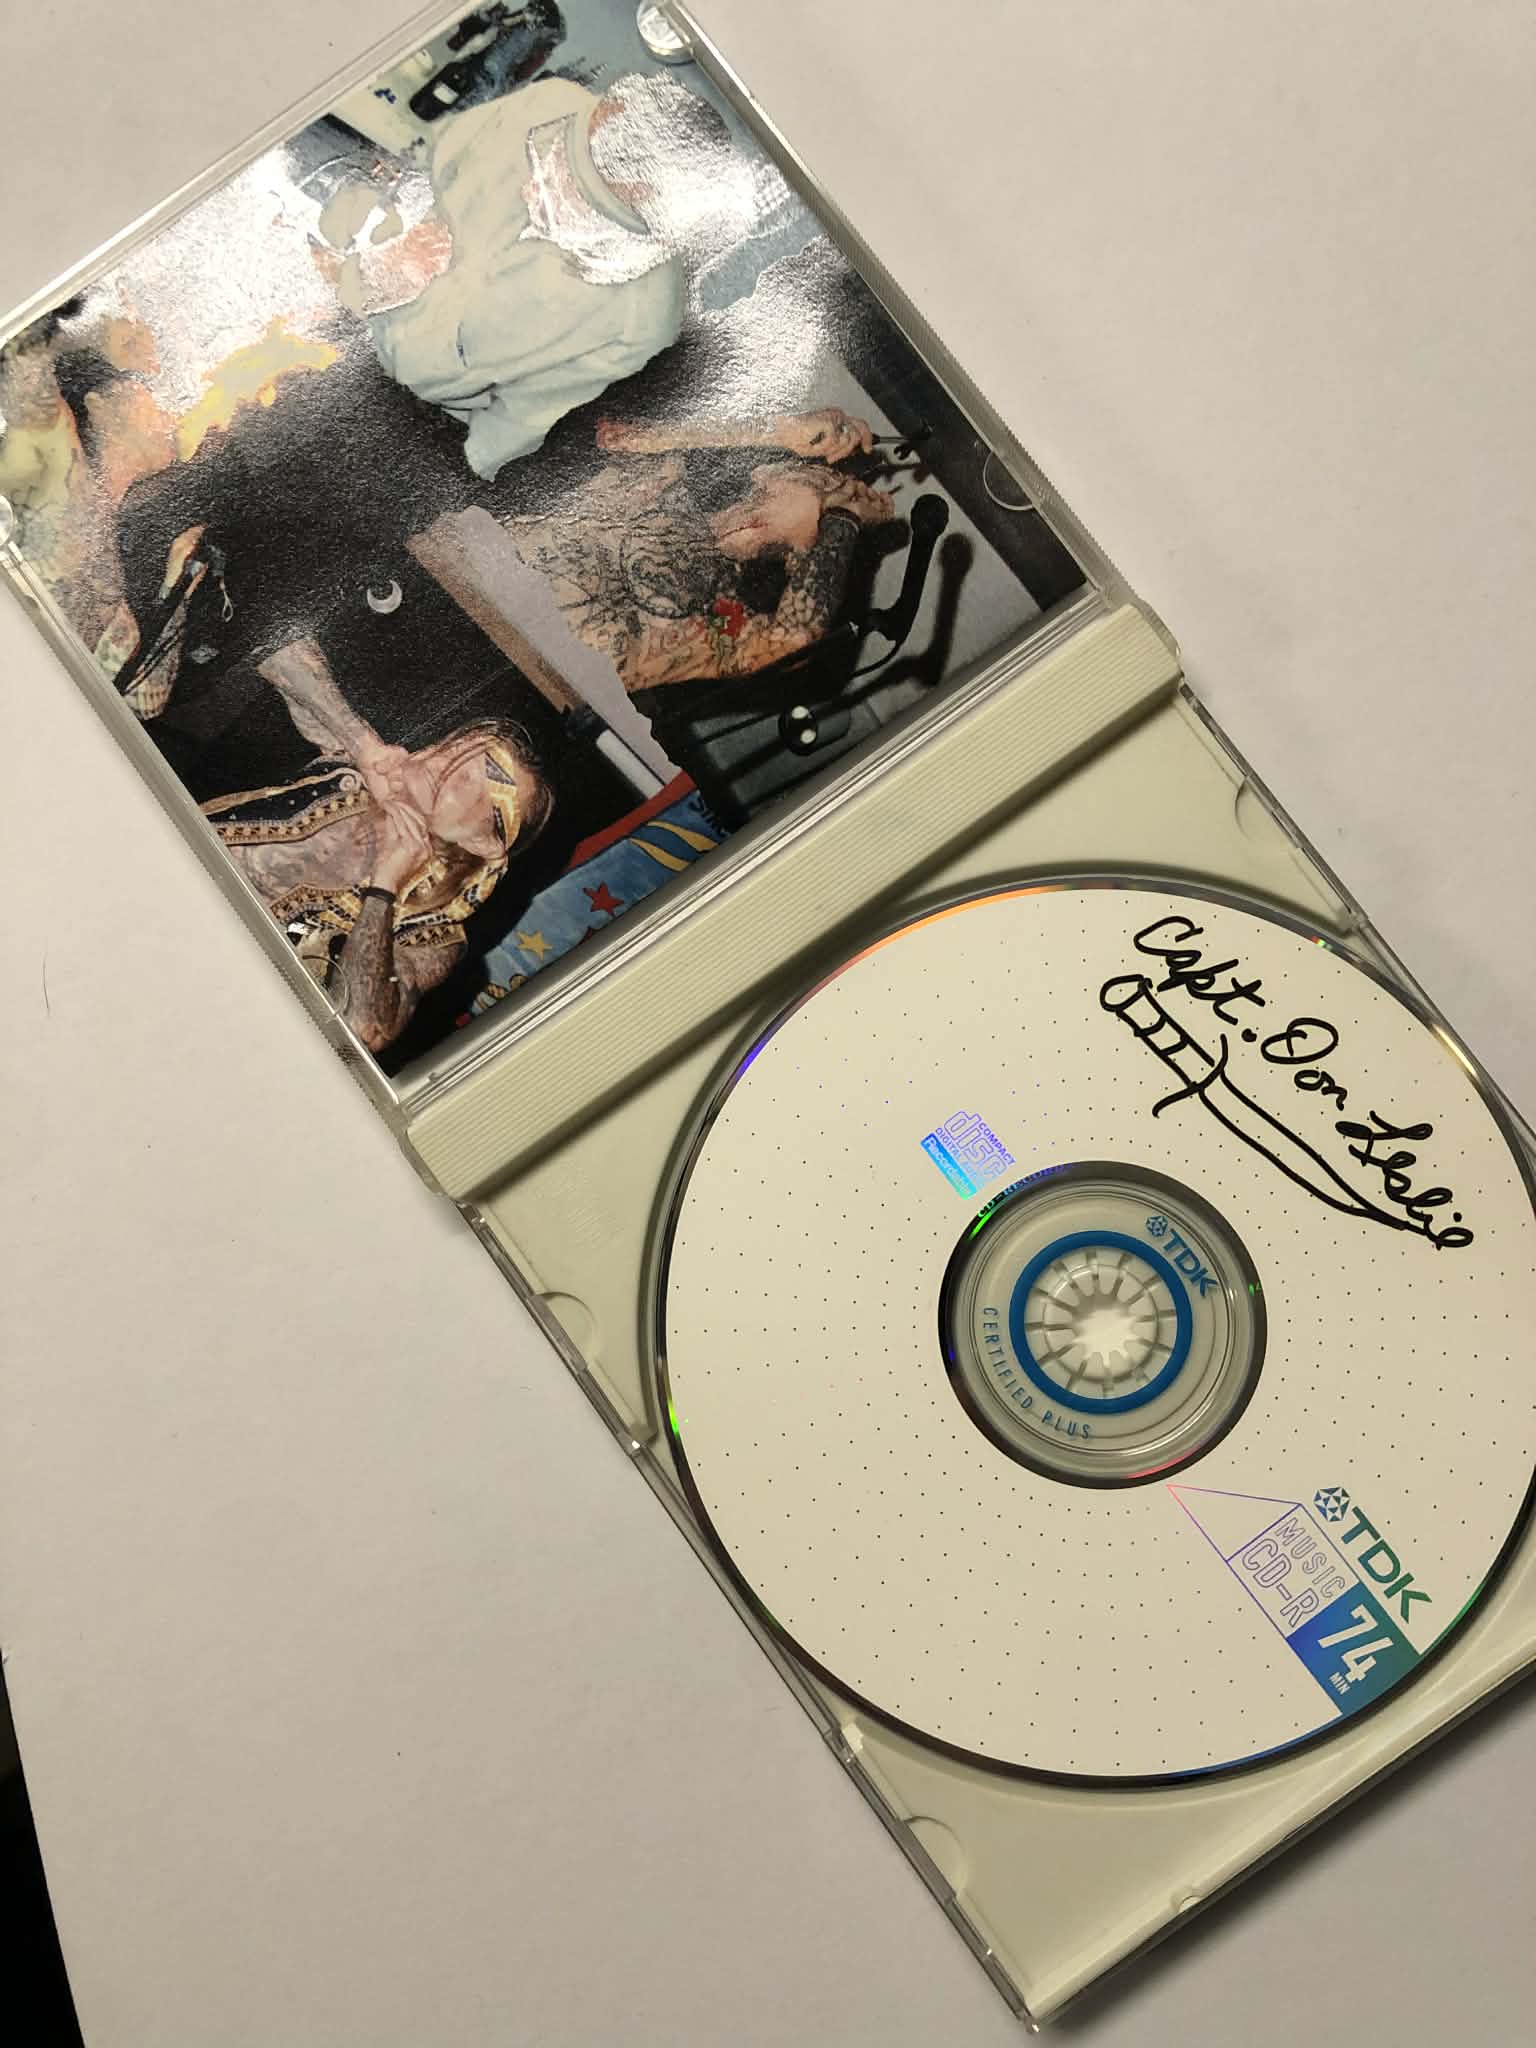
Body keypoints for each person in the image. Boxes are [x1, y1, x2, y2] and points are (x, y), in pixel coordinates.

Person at [319, 72, 734, 479]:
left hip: (399, 414)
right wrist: (381, 252)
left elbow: (502, 438)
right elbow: (425, 166)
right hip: (343, 277)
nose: (531, 187)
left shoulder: (641, 323)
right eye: (556, 151)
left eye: (571, 192)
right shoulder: (549, 102)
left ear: (631, 236)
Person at [202, 636, 551, 1054]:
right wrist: (361, 742)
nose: (444, 763)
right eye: (455, 747)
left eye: (472, 782)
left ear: (483, 841)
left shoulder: (434, 934)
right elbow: (276, 649)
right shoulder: (361, 768)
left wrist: (383, 888)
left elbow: (357, 1030)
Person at [497, 405, 897, 691]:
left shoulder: (721, 610)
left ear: (802, 553)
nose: (822, 479)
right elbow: (618, 436)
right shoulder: (665, 478)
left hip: (518, 673)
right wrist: (782, 430)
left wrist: (845, 517)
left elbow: (790, 641)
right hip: (473, 581)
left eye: (827, 489)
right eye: (821, 476)